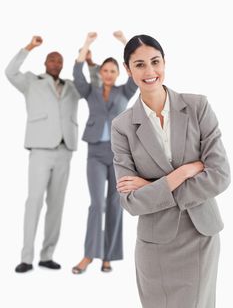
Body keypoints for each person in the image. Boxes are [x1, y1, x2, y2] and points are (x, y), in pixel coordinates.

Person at [111, 34, 231, 307]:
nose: (150, 71)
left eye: (155, 61)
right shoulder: (122, 126)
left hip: (199, 234)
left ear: (165, 62)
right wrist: (182, 173)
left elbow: (220, 176)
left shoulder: (198, 107)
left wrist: (152, 186)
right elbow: (130, 201)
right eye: (139, 65)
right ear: (128, 70)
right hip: (155, 245)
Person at [5, 36, 98, 273]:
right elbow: (10, 71)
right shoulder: (31, 82)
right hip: (40, 149)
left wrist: (89, 62)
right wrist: (29, 47)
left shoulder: (72, 86)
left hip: (65, 150)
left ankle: (47, 255)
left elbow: (95, 86)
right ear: (46, 63)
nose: (55, 63)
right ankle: (26, 257)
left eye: (59, 60)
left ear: (63, 64)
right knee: (34, 201)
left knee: (57, 204)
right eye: (51, 59)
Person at [72, 31, 138, 274]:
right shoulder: (90, 91)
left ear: (118, 73)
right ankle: (89, 254)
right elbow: (77, 73)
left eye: (113, 71)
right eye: (105, 70)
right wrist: (87, 43)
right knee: (96, 203)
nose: (109, 74)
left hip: (119, 155)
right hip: (95, 153)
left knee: (114, 204)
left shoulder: (126, 92)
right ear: (100, 72)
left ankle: (108, 256)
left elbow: (136, 70)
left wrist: (124, 41)